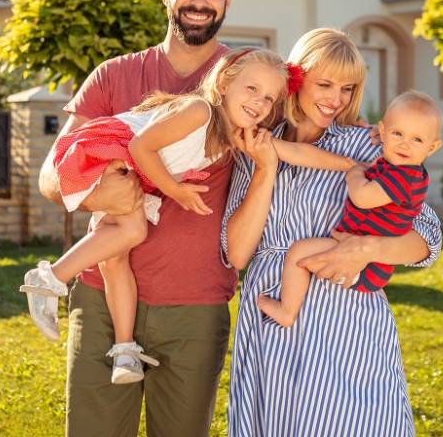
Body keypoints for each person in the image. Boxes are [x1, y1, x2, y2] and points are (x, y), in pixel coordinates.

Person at [21, 47, 351, 384]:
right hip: (110, 153)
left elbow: (294, 152)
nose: (259, 103)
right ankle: (49, 279)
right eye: (252, 89)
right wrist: (176, 191)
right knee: (131, 234)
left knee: (115, 256)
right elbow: (139, 147)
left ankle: (123, 350)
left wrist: (355, 165)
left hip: (135, 173)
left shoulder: (235, 135)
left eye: (269, 98)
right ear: (224, 83)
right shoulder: (198, 111)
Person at [223, 28, 443, 437]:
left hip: (344, 321)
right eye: (324, 83)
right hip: (272, 315)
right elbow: (236, 254)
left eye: (347, 87)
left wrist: (366, 248)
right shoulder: (254, 147)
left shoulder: (367, 145)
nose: (336, 98)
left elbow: (428, 239)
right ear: (296, 79)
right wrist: (266, 168)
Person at [256, 89, 443, 327]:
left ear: (433, 147)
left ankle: (287, 311)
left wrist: (354, 174)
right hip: (357, 249)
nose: (405, 144)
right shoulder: (392, 165)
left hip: (367, 264)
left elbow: (363, 198)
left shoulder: (406, 175)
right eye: (398, 133)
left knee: (298, 253)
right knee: (305, 258)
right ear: (383, 131)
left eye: (417, 139)